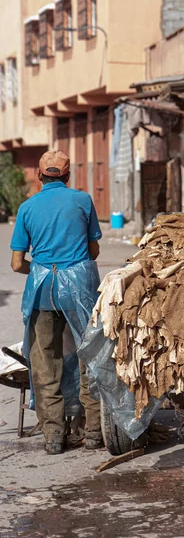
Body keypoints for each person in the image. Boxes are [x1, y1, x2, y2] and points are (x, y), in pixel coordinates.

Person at [10, 150, 103, 455]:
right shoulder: (82, 200)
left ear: (39, 176)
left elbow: (15, 264)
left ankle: (54, 436)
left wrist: (39, 269)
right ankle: (92, 433)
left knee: (46, 363)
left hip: (43, 290)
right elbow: (94, 251)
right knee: (90, 356)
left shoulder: (27, 207)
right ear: (67, 176)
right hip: (80, 289)